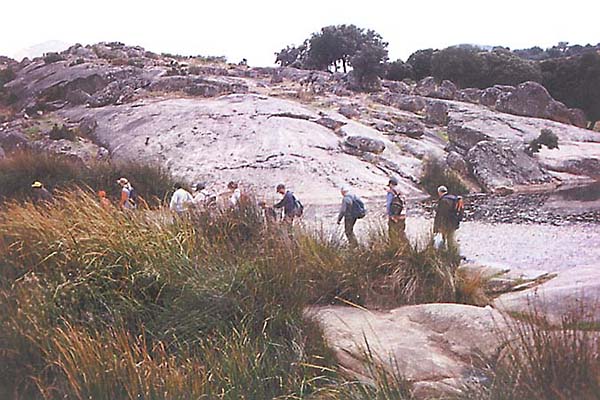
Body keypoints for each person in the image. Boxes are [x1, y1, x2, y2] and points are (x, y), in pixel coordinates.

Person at [386, 177, 408, 245]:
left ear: (390, 184)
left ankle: (395, 251)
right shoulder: (402, 193)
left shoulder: (391, 192)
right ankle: (406, 250)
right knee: (401, 235)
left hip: (394, 218)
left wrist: (391, 216)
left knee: (393, 236)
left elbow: (389, 205)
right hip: (402, 217)